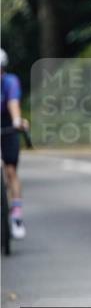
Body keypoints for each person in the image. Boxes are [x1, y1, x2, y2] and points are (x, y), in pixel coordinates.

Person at [1, 48, 28, 239]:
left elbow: (13, 103)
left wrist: (18, 120)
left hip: (7, 123)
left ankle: (17, 216)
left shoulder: (10, 81)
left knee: (11, 170)